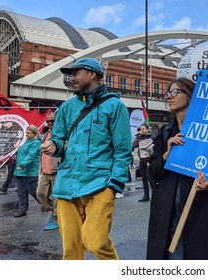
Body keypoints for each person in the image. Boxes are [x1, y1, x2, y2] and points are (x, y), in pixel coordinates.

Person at [40, 57, 132, 260]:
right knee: (71, 250)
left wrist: (114, 185)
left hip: (99, 184)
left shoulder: (115, 106)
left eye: (75, 72)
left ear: (92, 74)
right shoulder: (66, 107)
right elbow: (59, 140)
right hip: (66, 185)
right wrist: (52, 146)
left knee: (96, 241)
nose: (71, 77)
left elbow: (123, 150)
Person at [146, 77, 208, 260]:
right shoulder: (164, 133)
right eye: (168, 93)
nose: (169, 97)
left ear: (190, 96)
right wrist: (166, 156)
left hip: (199, 212)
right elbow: (151, 173)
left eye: (175, 92)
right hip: (165, 213)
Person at [36, 112, 61, 230]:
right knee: (40, 193)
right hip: (44, 170)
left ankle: (56, 216)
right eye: (48, 121)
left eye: (52, 121)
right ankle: (54, 211)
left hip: (56, 170)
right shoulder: (46, 134)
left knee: (56, 196)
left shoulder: (61, 132)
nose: (50, 123)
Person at [13, 125, 41, 218]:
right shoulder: (26, 142)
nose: (27, 134)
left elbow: (31, 155)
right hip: (20, 172)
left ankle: (48, 205)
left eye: (29, 133)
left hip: (29, 172)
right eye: (26, 132)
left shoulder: (36, 143)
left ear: (34, 133)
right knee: (21, 192)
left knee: (34, 192)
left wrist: (22, 164)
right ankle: (22, 210)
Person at [133, 123, 154, 202]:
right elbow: (134, 145)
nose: (142, 131)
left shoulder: (151, 137)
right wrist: (137, 136)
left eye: (143, 129)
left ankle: (155, 194)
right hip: (142, 160)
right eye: (141, 129)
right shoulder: (139, 138)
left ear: (147, 130)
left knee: (151, 178)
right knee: (144, 178)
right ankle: (146, 195)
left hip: (149, 159)